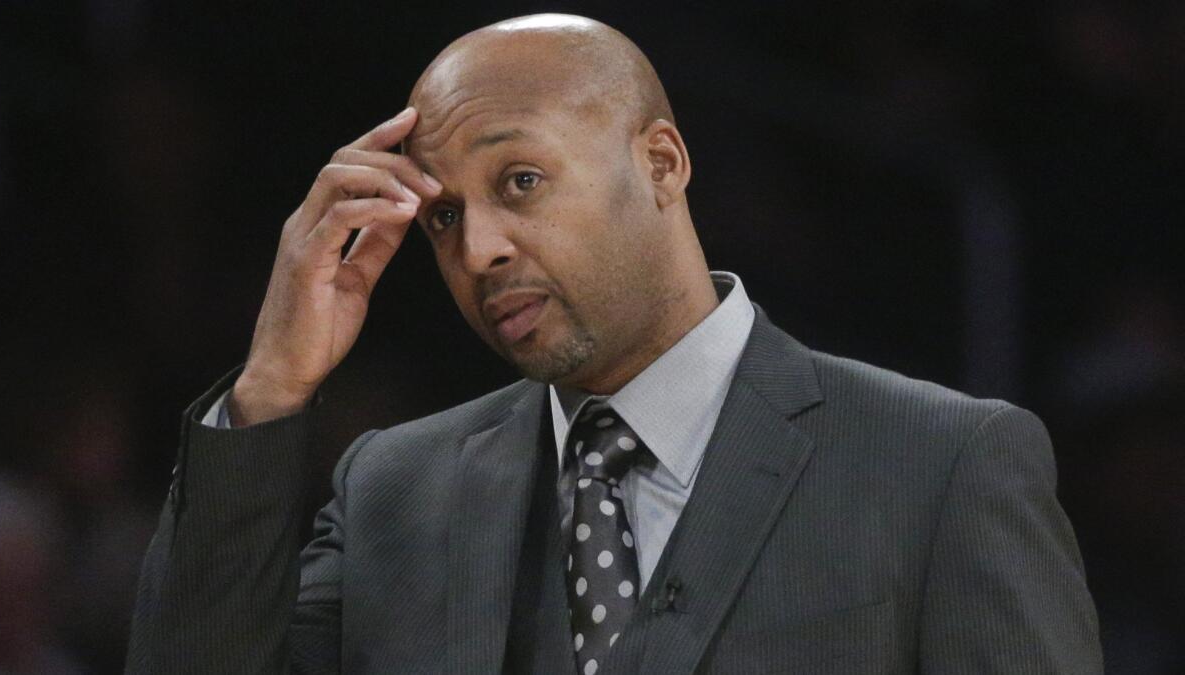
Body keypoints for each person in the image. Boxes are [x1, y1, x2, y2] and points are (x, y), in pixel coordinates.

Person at [126, 14, 1103, 674]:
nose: (480, 248)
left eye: (520, 182)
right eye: (443, 218)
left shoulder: (942, 465)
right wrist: (271, 388)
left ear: (661, 163)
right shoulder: (393, 488)